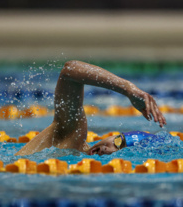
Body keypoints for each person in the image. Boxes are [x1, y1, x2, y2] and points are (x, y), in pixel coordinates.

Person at [15, 60, 166, 156]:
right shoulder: (72, 135)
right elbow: (70, 69)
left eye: (119, 151)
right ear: (113, 135)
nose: (109, 149)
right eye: (118, 142)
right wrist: (128, 89)